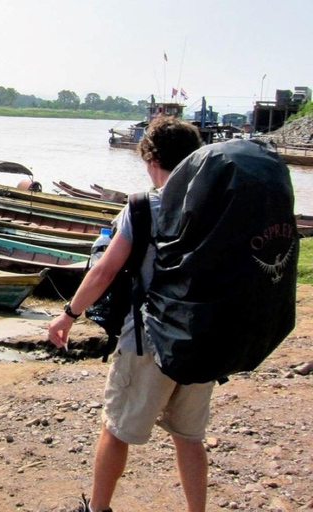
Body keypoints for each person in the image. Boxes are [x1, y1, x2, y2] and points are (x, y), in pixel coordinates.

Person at [48, 117, 209, 512]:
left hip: (148, 338)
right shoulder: (213, 204)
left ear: (152, 159)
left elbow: (104, 271)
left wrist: (69, 314)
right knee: (189, 437)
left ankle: (98, 509)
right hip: (202, 338)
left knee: (116, 428)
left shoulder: (143, 207)